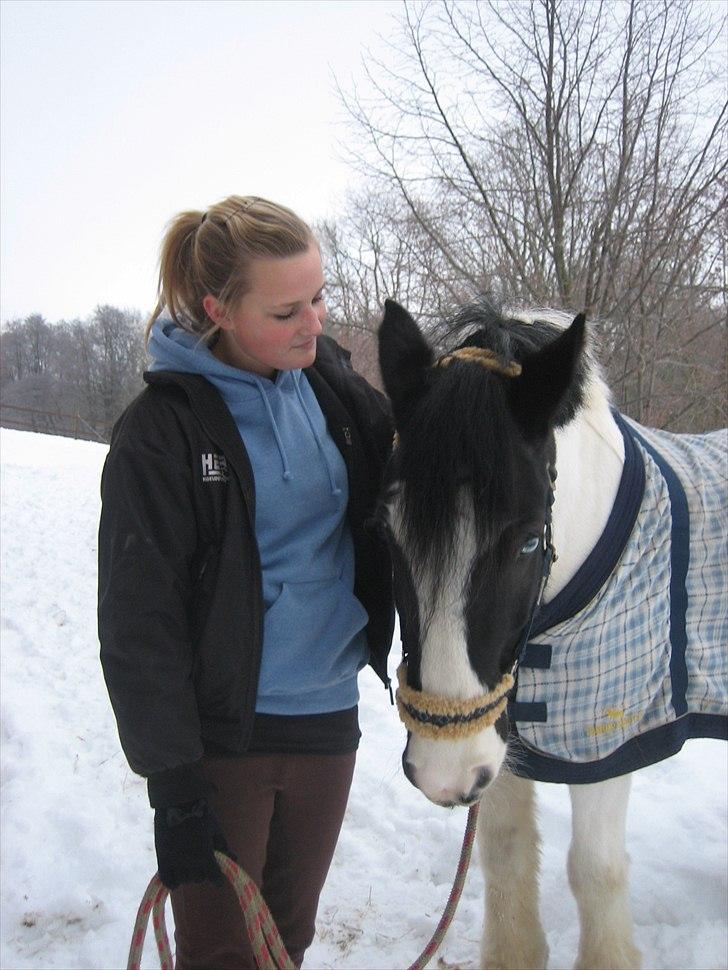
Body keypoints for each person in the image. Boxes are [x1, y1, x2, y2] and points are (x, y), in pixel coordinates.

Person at [98, 195, 395, 969]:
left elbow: (415, 506)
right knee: (224, 951)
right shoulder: (160, 434)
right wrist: (173, 784)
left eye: (320, 297)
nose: (315, 323)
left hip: (328, 717)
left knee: (285, 941)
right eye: (287, 309)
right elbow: (139, 623)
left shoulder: (338, 397)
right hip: (225, 732)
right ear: (217, 310)